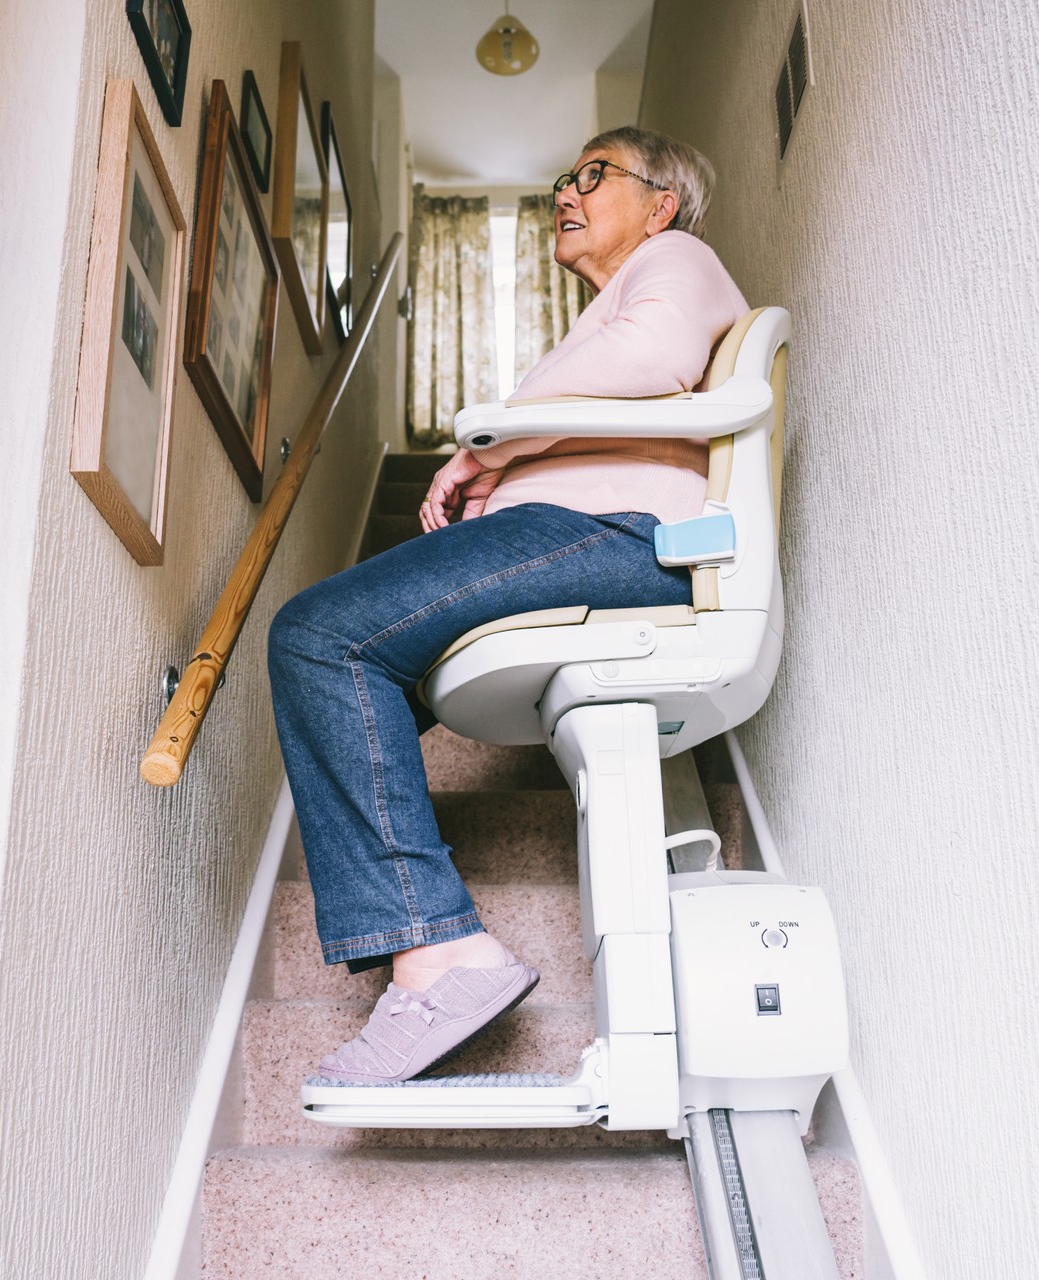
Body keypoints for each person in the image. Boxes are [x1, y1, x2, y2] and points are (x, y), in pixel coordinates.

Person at [268, 126, 748, 1084]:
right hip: (597, 533)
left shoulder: (675, 260)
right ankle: (423, 942)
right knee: (353, 668)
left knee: (320, 635)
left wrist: (489, 446)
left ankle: (439, 952)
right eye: (563, 178)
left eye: (593, 175)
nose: (566, 193)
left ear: (660, 203)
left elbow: (652, 356)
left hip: (618, 537)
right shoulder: (617, 297)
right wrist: (496, 471)